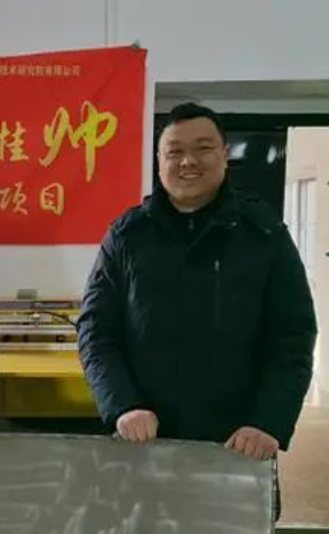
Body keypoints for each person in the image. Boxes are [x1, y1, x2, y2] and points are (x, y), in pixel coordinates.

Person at [77, 102, 317, 468]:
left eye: (202, 148)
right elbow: (96, 332)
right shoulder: (127, 237)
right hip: (142, 442)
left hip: (238, 444)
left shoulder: (264, 234)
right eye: (174, 151)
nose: (188, 161)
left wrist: (268, 421)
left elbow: (293, 337)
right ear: (159, 161)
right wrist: (123, 405)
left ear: (224, 154)